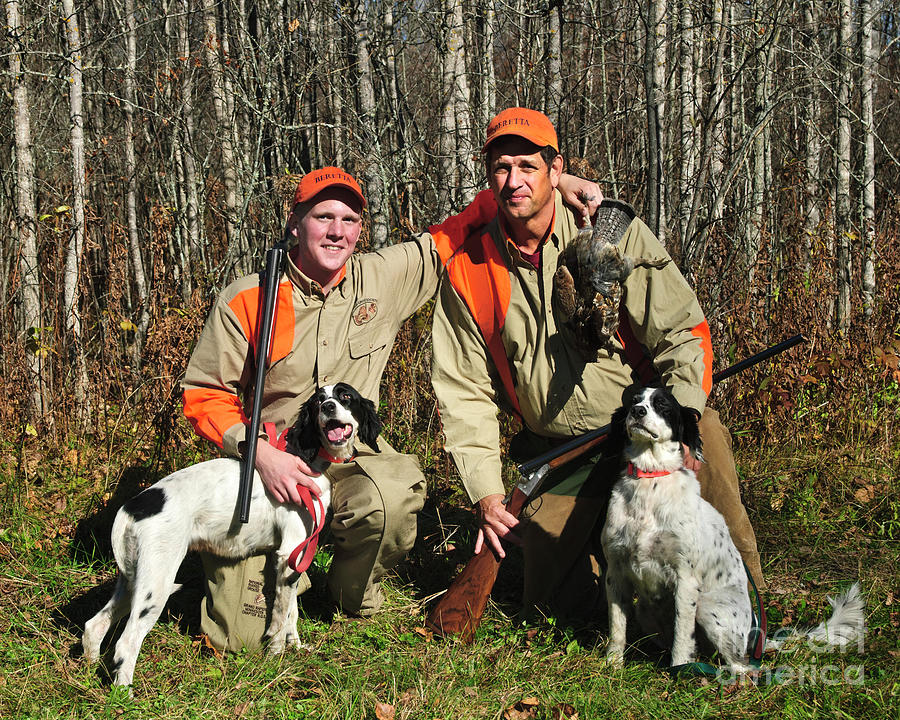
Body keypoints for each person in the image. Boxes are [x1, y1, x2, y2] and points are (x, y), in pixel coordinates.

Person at [181, 166, 601, 652]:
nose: (337, 230)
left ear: (360, 228)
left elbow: (459, 228)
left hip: (349, 462)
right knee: (245, 640)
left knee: (394, 491)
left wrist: (557, 185)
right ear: (295, 223)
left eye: (350, 218)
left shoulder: (383, 276)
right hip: (271, 472)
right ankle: (285, 575)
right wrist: (258, 452)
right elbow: (204, 392)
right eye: (323, 216)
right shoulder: (251, 297)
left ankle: (347, 595)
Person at [430, 108, 765, 622]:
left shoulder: (612, 233)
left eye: (527, 166)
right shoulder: (469, 269)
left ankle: (748, 608)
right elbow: (464, 391)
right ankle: (603, 560)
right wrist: (488, 494)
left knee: (709, 455)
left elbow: (682, 331)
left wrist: (686, 420)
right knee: (552, 610)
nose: (514, 181)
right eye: (501, 168)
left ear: (555, 169)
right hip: (559, 454)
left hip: (642, 430)